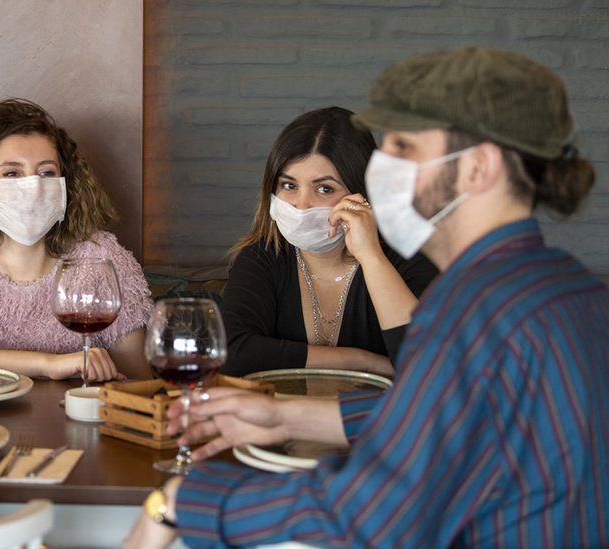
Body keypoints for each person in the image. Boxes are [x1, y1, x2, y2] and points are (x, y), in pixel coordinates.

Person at [126, 47, 609, 548]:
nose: (383, 172)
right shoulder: (566, 288)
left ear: (477, 168)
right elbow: (450, 417)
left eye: (403, 149)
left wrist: (182, 502)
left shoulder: (475, 312)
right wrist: (286, 415)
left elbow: (367, 516)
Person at [0, 99, 152, 381]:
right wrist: (47, 364)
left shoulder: (102, 258)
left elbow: (139, 381)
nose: (34, 187)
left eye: (46, 172)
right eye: (12, 173)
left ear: (65, 185)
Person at [222, 107, 438, 378]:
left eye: (325, 188)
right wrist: (365, 362)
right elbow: (232, 353)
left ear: (363, 193)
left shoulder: (409, 259)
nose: (302, 204)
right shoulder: (263, 257)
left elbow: (427, 364)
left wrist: (371, 256)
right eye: (289, 185)